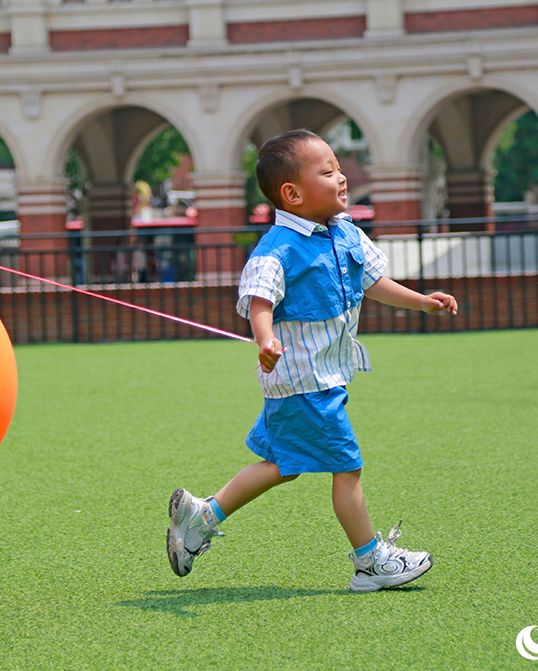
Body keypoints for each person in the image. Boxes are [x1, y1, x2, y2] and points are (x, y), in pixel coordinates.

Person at [166, 129, 459, 592]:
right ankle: (370, 562)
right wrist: (264, 339)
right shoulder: (278, 248)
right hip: (305, 381)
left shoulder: (346, 233)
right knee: (348, 467)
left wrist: (422, 301)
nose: (342, 178)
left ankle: (202, 515)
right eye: (329, 172)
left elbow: (373, 281)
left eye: (339, 168)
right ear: (292, 193)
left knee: (283, 464)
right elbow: (260, 300)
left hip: (319, 377)